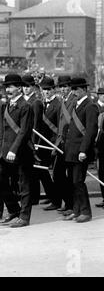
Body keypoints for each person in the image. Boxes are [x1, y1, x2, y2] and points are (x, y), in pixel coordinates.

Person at [0, 74, 34, 227]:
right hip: (5, 150)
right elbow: (3, 130)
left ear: (19, 87)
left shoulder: (25, 106)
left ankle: (24, 217)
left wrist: (13, 150)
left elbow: (24, 131)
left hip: (21, 151)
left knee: (24, 184)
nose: (8, 89)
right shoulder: (7, 105)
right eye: (6, 86)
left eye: (11, 86)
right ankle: (14, 209)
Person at [63, 78, 99, 223]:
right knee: (72, 182)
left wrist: (83, 150)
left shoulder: (90, 106)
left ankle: (85, 212)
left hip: (80, 151)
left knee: (78, 181)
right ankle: (76, 210)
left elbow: (91, 130)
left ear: (83, 89)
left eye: (76, 89)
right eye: (72, 89)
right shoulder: (76, 104)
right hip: (71, 150)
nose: (73, 92)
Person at [37, 77, 61, 211]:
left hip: (54, 144)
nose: (46, 92)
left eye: (48, 89)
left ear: (53, 89)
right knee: (41, 170)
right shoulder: (41, 104)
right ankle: (52, 195)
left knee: (57, 174)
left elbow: (60, 126)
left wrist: (56, 144)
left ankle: (57, 201)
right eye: (44, 89)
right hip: (43, 143)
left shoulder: (58, 105)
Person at [53, 75, 76, 216]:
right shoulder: (64, 101)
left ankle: (72, 205)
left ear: (70, 87)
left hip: (70, 144)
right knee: (58, 175)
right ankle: (67, 203)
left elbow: (74, 124)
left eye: (65, 86)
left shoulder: (74, 101)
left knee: (70, 177)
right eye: (61, 87)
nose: (63, 89)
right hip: (61, 143)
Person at [22, 74, 44, 205]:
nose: (26, 89)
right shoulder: (23, 101)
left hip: (31, 140)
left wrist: (34, 143)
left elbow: (35, 125)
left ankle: (34, 197)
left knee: (33, 172)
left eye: (28, 86)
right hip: (23, 139)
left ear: (33, 88)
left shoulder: (35, 102)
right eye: (24, 86)